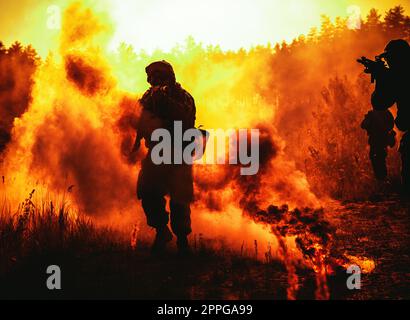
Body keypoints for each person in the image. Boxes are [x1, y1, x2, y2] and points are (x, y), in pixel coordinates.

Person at [132, 60, 196, 255]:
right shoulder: (149, 96)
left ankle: (182, 240)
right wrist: (137, 140)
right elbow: (140, 117)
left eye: (159, 76)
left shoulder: (182, 96)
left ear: (169, 76)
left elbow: (184, 117)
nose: (154, 81)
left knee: (180, 197)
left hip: (180, 151)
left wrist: (164, 99)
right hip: (157, 151)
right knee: (147, 191)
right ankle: (162, 231)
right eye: (152, 78)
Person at [366, 39, 410, 195]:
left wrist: (381, 78)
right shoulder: (399, 75)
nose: (389, 62)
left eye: (391, 58)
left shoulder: (400, 76)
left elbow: (379, 103)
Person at [361, 109, 396, 181]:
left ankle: (382, 181)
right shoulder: (387, 113)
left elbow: (363, 125)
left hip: (376, 144)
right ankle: (383, 181)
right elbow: (391, 126)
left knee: (378, 164)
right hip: (381, 144)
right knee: (380, 163)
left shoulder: (372, 114)